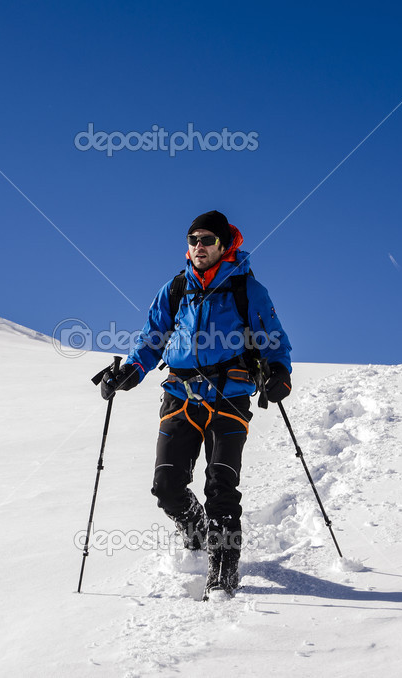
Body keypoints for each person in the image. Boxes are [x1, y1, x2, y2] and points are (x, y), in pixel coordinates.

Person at [98, 210, 293, 600]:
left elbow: (273, 339)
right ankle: (198, 532)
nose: (199, 247)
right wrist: (130, 372)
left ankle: (222, 573)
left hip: (230, 396)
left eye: (207, 240)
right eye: (193, 240)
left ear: (224, 245)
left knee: (222, 487)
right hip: (179, 396)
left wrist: (279, 374)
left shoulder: (247, 290)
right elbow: (152, 338)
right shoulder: (175, 289)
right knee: (166, 486)